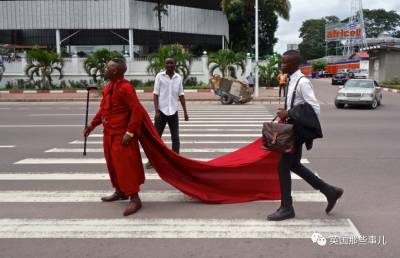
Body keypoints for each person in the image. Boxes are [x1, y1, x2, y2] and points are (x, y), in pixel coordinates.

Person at [267, 50, 344, 221]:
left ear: (295, 64)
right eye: (282, 62)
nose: (282, 65)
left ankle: (287, 208)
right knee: (294, 165)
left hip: (296, 132)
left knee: (283, 167)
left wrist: (290, 113)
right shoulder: (291, 80)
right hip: (292, 131)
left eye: (285, 63)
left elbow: (314, 108)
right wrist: (285, 113)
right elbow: (297, 105)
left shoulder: (303, 82)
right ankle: (330, 191)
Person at [84, 58, 145, 216]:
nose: (105, 69)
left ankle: (134, 198)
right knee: (113, 165)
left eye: (108, 67)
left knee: (125, 167)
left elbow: (137, 111)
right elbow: (104, 110)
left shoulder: (126, 88)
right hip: (109, 134)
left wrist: (130, 133)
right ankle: (120, 191)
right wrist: (92, 125)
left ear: (115, 71)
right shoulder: (109, 87)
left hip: (122, 135)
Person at [145, 57, 189, 169]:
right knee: (156, 138)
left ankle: (176, 160)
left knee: (175, 138)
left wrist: (185, 112)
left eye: (171, 63)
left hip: (173, 112)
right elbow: (155, 94)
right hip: (161, 112)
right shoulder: (159, 76)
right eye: (167, 63)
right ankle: (151, 160)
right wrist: (156, 111)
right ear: (165, 65)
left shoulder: (178, 77)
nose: (169, 65)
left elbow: (181, 95)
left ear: (175, 64)